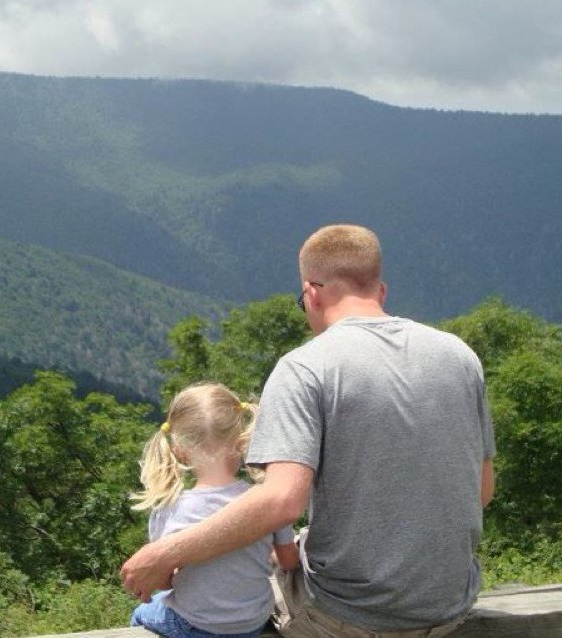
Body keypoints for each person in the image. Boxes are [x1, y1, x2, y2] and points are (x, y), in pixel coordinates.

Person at [122, 224, 496, 638]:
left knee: (245, 590)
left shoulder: (305, 368)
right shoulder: (460, 356)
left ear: (312, 293)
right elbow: (481, 491)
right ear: (380, 291)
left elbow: (282, 501)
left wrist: (164, 553)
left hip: (346, 618)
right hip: (448, 607)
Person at [129, 382, 300, 638]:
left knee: (141, 613)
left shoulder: (169, 508)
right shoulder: (267, 498)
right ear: (242, 442)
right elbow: (290, 561)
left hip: (195, 626)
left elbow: (162, 580)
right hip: (252, 622)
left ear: (179, 451)